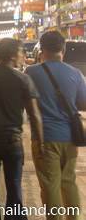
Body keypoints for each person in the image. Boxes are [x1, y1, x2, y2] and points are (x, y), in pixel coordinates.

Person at [0, 38, 44, 220]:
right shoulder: (23, 79)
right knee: (14, 187)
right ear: (13, 55)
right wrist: (39, 142)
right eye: (21, 52)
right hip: (12, 142)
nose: (24, 56)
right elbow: (34, 115)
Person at [25, 31, 86, 220]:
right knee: (69, 182)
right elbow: (83, 104)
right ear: (64, 49)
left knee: (50, 185)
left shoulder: (31, 72)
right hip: (70, 138)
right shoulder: (76, 74)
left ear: (41, 49)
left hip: (45, 138)